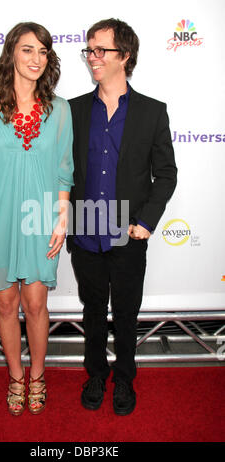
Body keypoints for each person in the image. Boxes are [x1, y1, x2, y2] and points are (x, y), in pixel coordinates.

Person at [0, 22, 74, 416]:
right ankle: (15, 377)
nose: (36, 59)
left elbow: (64, 169)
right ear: (11, 53)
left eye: (43, 52)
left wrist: (61, 217)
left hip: (41, 217)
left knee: (36, 303)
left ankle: (38, 376)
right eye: (28, 50)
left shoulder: (60, 110)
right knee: (6, 305)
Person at [67, 18, 177, 415]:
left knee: (127, 313)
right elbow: (64, 170)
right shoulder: (73, 110)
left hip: (129, 236)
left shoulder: (151, 112)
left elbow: (166, 174)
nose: (93, 58)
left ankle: (125, 379)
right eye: (89, 50)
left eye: (101, 50)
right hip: (85, 233)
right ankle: (95, 373)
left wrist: (147, 221)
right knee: (93, 310)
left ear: (124, 55)